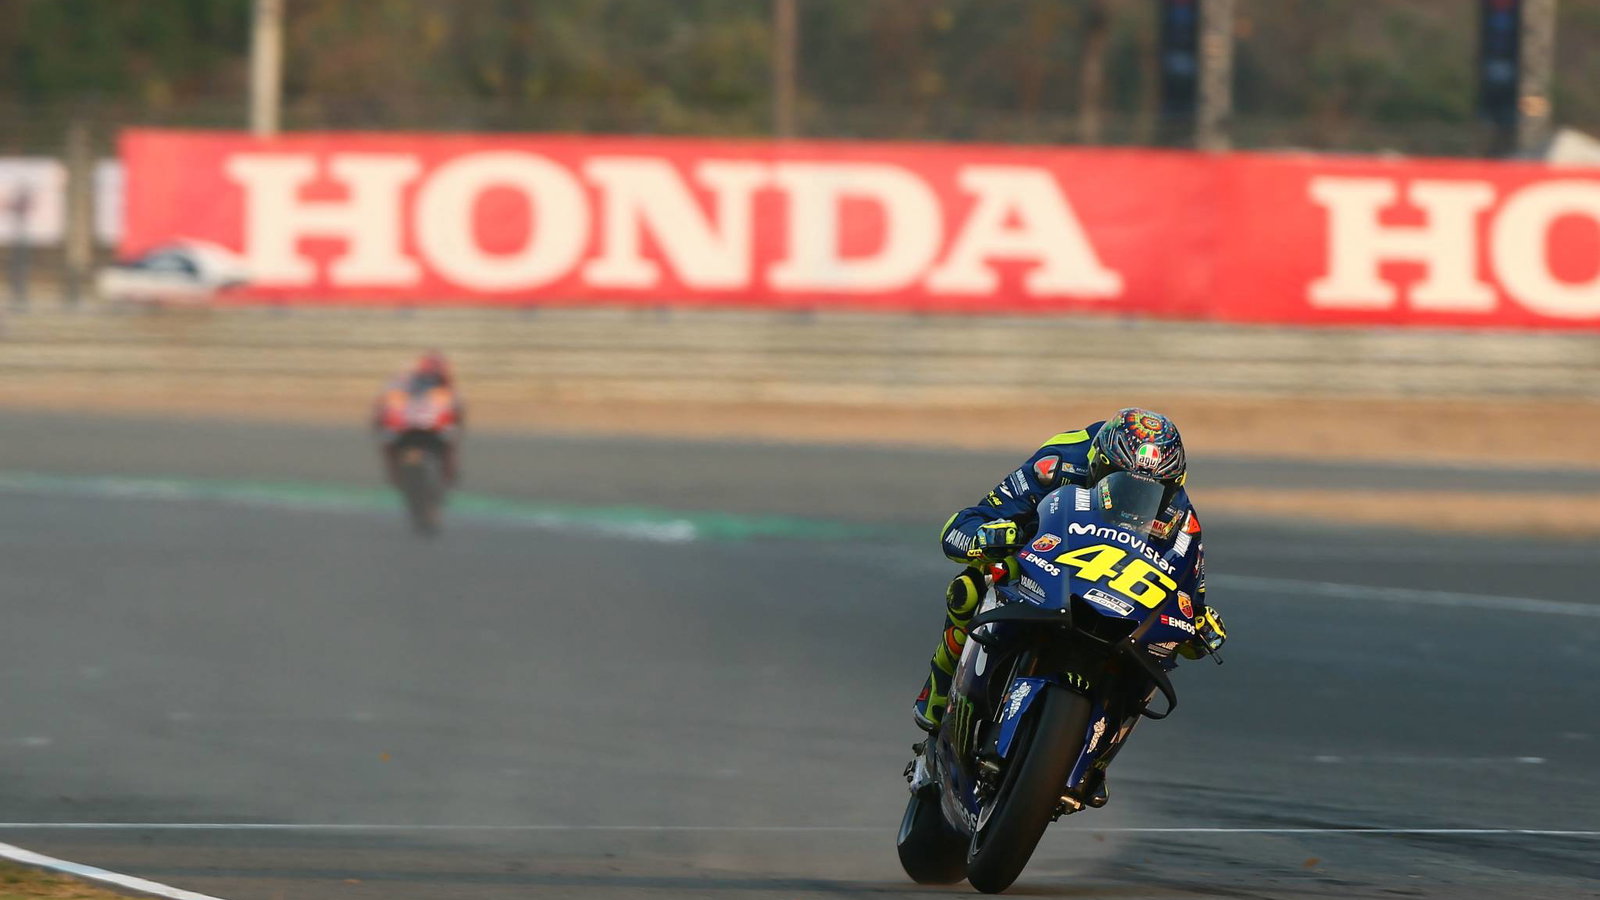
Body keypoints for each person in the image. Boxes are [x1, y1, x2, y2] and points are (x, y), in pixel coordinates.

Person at [912, 408, 1227, 745]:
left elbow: (1189, 591)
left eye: (1152, 493)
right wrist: (988, 536)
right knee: (971, 587)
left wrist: (1198, 621)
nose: (1136, 500)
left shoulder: (1180, 513)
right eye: (1121, 482)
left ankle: (1099, 750)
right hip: (1044, 568)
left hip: (1119, 597)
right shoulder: (1059, 463)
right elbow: (961, 527)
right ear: (1098, 464)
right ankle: (941, 686)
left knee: (1157, 652)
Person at [372, 350, 465, 485]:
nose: (432, 371)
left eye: (436, 368)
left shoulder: (445, 385)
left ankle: (448, 476)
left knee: (448, 444)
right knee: (388, 444)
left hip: (432, 429)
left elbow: (456, 409)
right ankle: (395, 476)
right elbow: (385, 402)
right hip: (406, 428)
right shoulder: (404, 380)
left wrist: (454, 423)